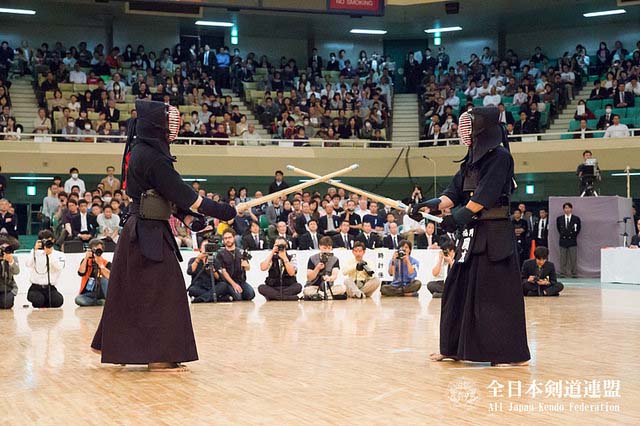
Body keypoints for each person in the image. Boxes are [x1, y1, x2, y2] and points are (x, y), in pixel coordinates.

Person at [92, 99, 237, 372]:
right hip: (146, 234)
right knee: (166, 292)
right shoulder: (151, 156)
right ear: (156, 125)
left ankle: (122, 347)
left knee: (133, 292)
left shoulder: (144, 151)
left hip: (145, 230)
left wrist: (187, 217)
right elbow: (184, 194)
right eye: (169, 121)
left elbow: (164, 195)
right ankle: (159, 355)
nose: (174, 127)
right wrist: (223, 211)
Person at [413, 106, 530, 366]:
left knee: (494, 296)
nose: (464, 131)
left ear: (483, 129)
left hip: (494, 235)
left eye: (469, 126)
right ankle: (453, 347)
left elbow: (484, 197)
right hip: (472, 236)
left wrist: (457, 218)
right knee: (456, 288)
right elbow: (453, 193)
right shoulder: (470, 160)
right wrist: (427, 205)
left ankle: (504, 354)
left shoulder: (500, 158)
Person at [25, 230, 65, 308]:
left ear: (53, 240)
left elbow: (59, 267)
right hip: (35, 287)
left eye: (48, 241)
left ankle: (45, 301)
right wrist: (34, 250)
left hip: (50, 287)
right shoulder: (35, 253)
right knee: (38, 300)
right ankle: (42, 301)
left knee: (58, 301)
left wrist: (50, 254)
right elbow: (28, 264)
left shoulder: (59, 254)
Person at [216, 229, 256, 301]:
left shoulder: (241, 252)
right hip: (228, 282)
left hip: (241, 281)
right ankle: (227, 295)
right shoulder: (220, 253)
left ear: (234, 238)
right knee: (238, 297)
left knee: (251, 294)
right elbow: (223, 271)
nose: (228, 240)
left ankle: (236, 293)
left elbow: (248, 268)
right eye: (225, 238)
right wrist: (233, 284)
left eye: (230, 237)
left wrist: (246, 265)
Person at [75, 239, 111, 306]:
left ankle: (107, 301)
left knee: (104, 280)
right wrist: (86, 258)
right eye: (95, 249)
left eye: (99, 249)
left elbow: (110, 277)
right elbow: (81, 273)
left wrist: (100, 265)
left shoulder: (106, 263)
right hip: (89, 292)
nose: (97, 251)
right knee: (78, 299)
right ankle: (99, 302)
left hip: (102, 291)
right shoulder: (86, 261)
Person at [556, 202, 581, 278]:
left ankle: (574, 273)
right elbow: (559, 229)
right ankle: (563, 273)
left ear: (571, 209)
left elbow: (578, 229)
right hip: (563, 240)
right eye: (565, 208)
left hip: (572, 240)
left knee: (573, 258)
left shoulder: (576, 219)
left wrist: (573, 236)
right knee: (563, 259)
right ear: (563, 209)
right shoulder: (559, 218)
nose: (567, 209)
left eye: (568, 208)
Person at [0, 243, 19, 309]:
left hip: (8, 287)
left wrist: (11, 261)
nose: (5, 252)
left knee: (6, 304)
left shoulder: (13, 258)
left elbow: (16, 272)